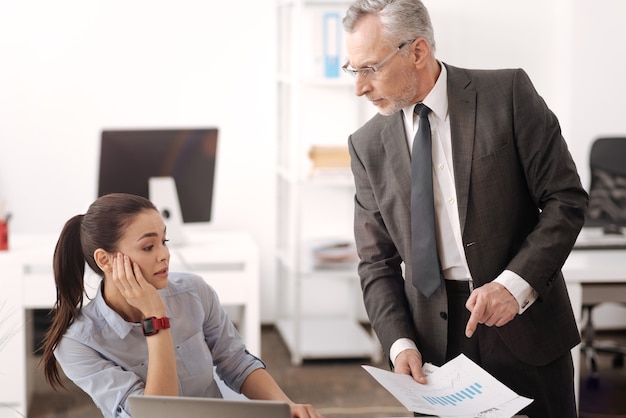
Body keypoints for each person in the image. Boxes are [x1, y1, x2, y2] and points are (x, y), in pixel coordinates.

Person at [341, 1, 588, 417]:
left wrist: (514, 285)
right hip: (432, 346)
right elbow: (376, 263)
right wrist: (399, 342)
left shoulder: (507, 94)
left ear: (417, 52)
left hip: (523, 322)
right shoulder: (367, 145)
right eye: (353, 70)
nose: (359, 87)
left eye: (370, 68)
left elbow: (565, 198)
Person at [40, 193, 323, 418]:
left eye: (164, 241)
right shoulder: (79, 343)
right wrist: (155, 318)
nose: (165, 255)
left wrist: (287, 406)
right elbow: (156, 416)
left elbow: (235, 362)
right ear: (105, 260)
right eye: (149, 247)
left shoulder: (193, 292)